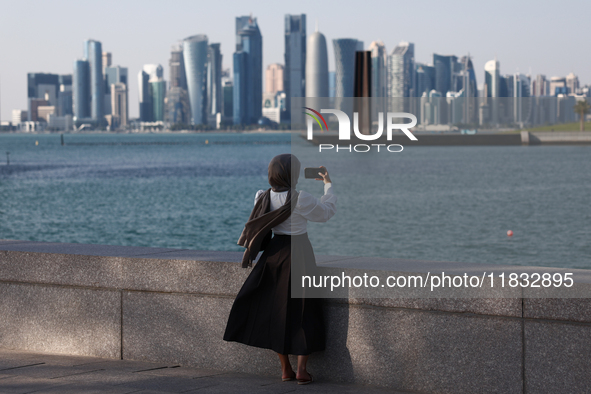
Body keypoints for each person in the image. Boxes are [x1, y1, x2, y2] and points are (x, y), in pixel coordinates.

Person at [223, 153, 337, 385]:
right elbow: (326, 213)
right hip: (300, 253)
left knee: (275, 311)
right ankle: (302, 370)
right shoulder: (301, 198)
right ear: (293, 175)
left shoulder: (262, 196)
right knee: (304, 309)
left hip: (274, 254)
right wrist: (328, 185)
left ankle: (286, 369)